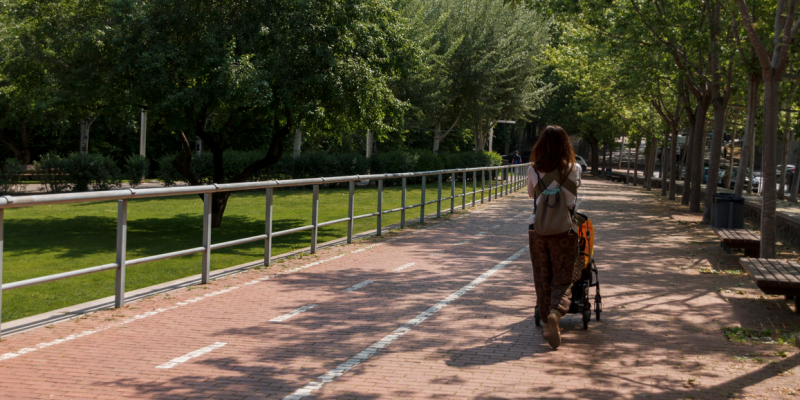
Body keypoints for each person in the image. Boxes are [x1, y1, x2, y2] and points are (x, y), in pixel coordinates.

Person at [527, 125, 582, 349]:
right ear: (565, 145)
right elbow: (571, 201)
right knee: (563, 276)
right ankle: (555, 313)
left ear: (542, 144)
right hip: (564, 231)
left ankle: (547, 323)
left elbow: (532, 195)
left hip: (537, 230)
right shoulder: (574, 168)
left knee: (543, 276)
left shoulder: (532, 170)